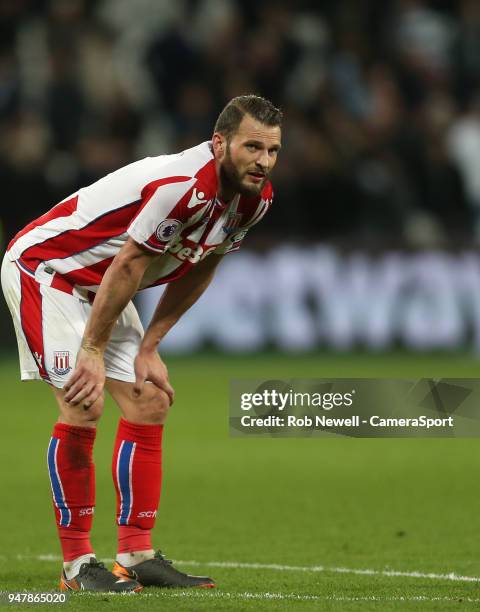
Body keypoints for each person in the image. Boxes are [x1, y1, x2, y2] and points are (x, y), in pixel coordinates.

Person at [1, 95, 282, 593]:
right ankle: (77, 565)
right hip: (49, 271)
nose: (263, 161)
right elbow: (129, 264)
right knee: (82, 403)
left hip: (103, 284)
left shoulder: (253, 201)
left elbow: (203, 265)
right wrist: (91, 351)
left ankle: (135, 553)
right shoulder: (182, 187)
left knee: (148, 399)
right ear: (219, 144)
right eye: (252, 147)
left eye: (273, 150)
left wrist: (150, 346)